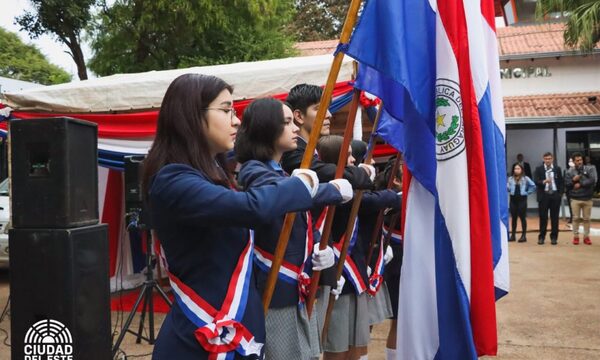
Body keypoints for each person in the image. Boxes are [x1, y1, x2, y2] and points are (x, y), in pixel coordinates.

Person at [143, 74, 324, 359]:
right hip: (200, 337)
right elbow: (251, 208)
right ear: (190, 116)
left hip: (235, 326)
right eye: (226, 110)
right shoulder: (173, 179)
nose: (236, 120)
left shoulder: (213, 176)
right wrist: (302, 184)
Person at [235, 98, 352, 359]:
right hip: (275, 290)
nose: (296, 129)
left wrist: (324, 254)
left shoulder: (278, 172)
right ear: (267, 128)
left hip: (295, 289)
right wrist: (330, 190)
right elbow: (275, 195)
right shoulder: (255, 170)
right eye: (287, 123)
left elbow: (299, 224)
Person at [317, 135, 399, 360]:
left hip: (356, 272)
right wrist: (394, 196)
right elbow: (368, 200)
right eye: (349, 155)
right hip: (339, 272)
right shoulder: (337, 187)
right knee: (337, 345)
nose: (353, 160)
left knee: (357, 341)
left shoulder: (351, 183)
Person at [565, 152, 597, 245]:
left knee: (587, 219)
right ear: (574, 161)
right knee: (576, 218)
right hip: (575, 198)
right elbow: (567, 184)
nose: (579, 162)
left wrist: (580, 184)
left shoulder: (591, 168)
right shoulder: (569, 171)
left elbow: (592, 180)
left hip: (587, 198)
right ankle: (576, 237)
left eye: (581, 160)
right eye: (577, 160)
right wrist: (573, 180)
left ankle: (586, 237)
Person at [533, 152, 564, 245]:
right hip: (544, 195)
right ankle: (541, 237)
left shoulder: (557, 169)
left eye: (549, 158)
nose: (547, 160)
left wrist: (560, 194)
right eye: (546, 159)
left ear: (552, 159)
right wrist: (544, 181)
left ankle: (554, 237)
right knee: (543, 217)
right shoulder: (539, 169)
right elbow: (536, 181)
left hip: (555, 195)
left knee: (555, 218)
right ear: (543, 159)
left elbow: (561, 182)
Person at [507, 163, 536, 242]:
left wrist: (527, 192)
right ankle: (513, 235)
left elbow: (533, 186)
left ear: (521, 170)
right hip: (513, 199)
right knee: (513, 218)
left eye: (518, 169)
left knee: (522, 218)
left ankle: (523, 235)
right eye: (515, 169)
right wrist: (508, 189)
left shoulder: (525, 178)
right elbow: (507, 188)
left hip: (522, 200)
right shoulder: (510, 179)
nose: (516, 170)